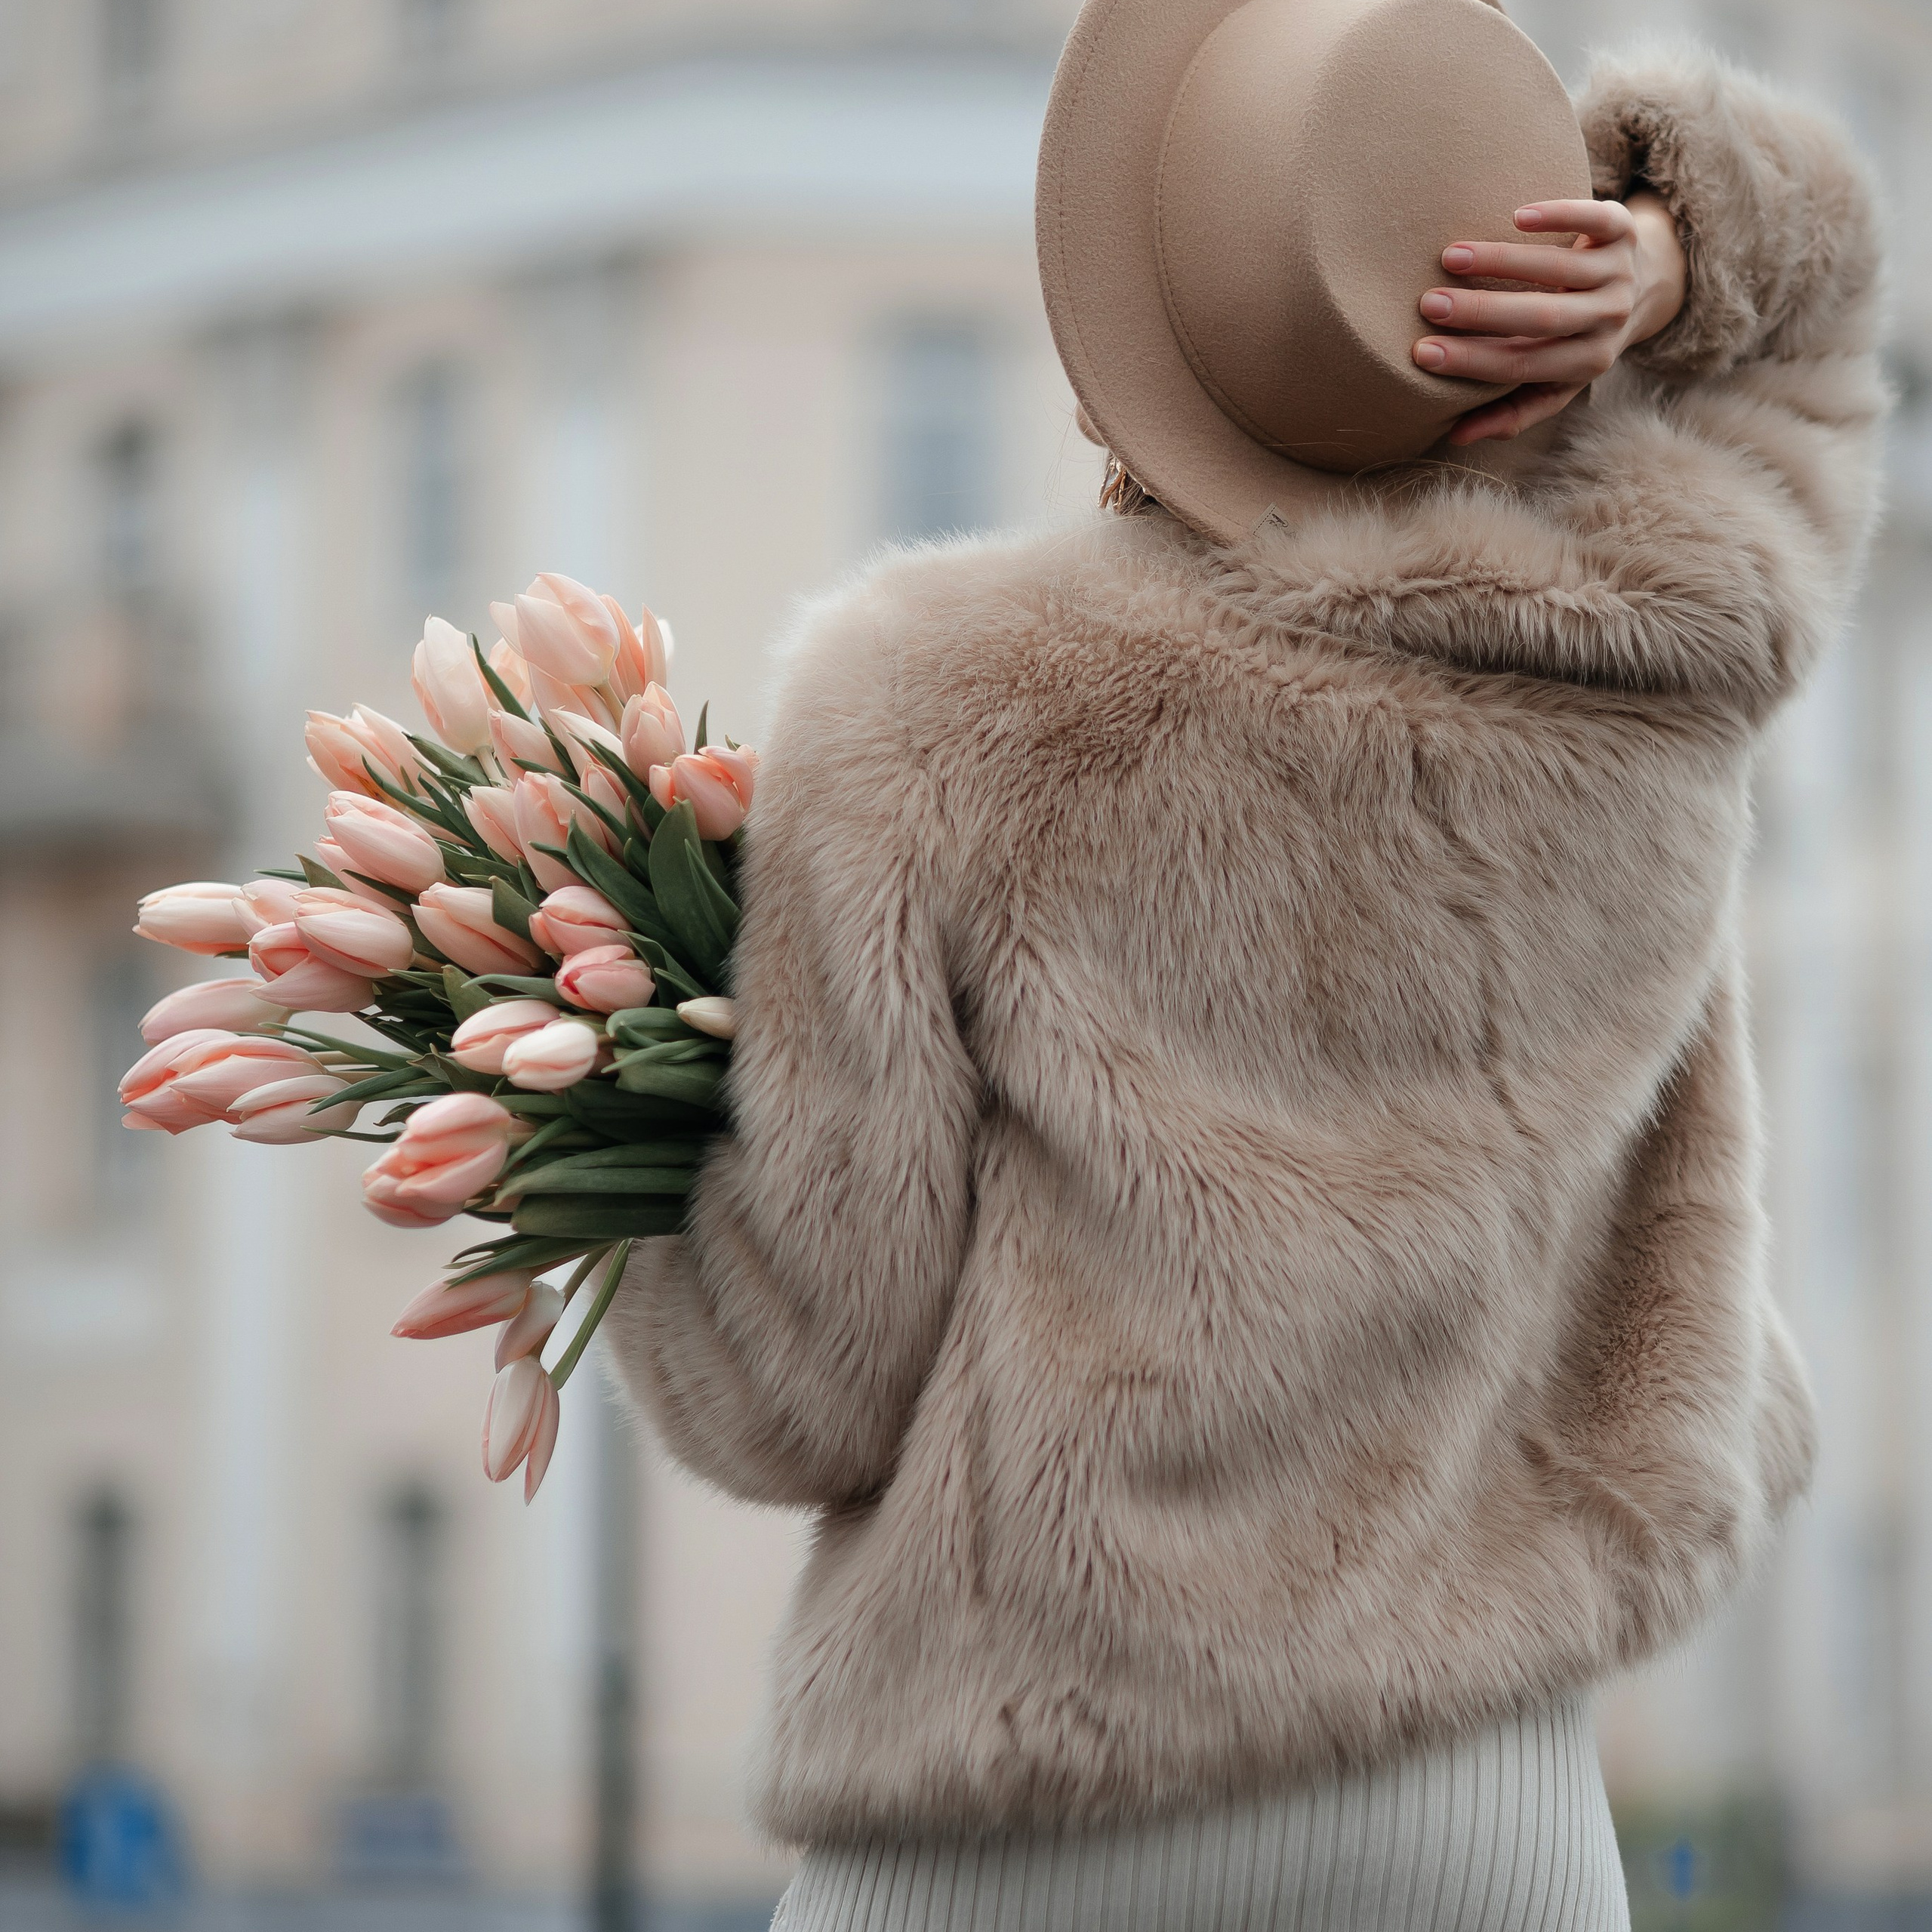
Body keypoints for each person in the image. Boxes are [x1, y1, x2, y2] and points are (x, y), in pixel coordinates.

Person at [606, 0, 1887, 1922]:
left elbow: (796, 1393)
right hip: (1487, 1809)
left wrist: (607, 1094)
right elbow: (1821, 314)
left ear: (1129, 329)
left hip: (1024, 1789)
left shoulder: (938, 709)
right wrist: (1675, 243)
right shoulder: (1672, 661)